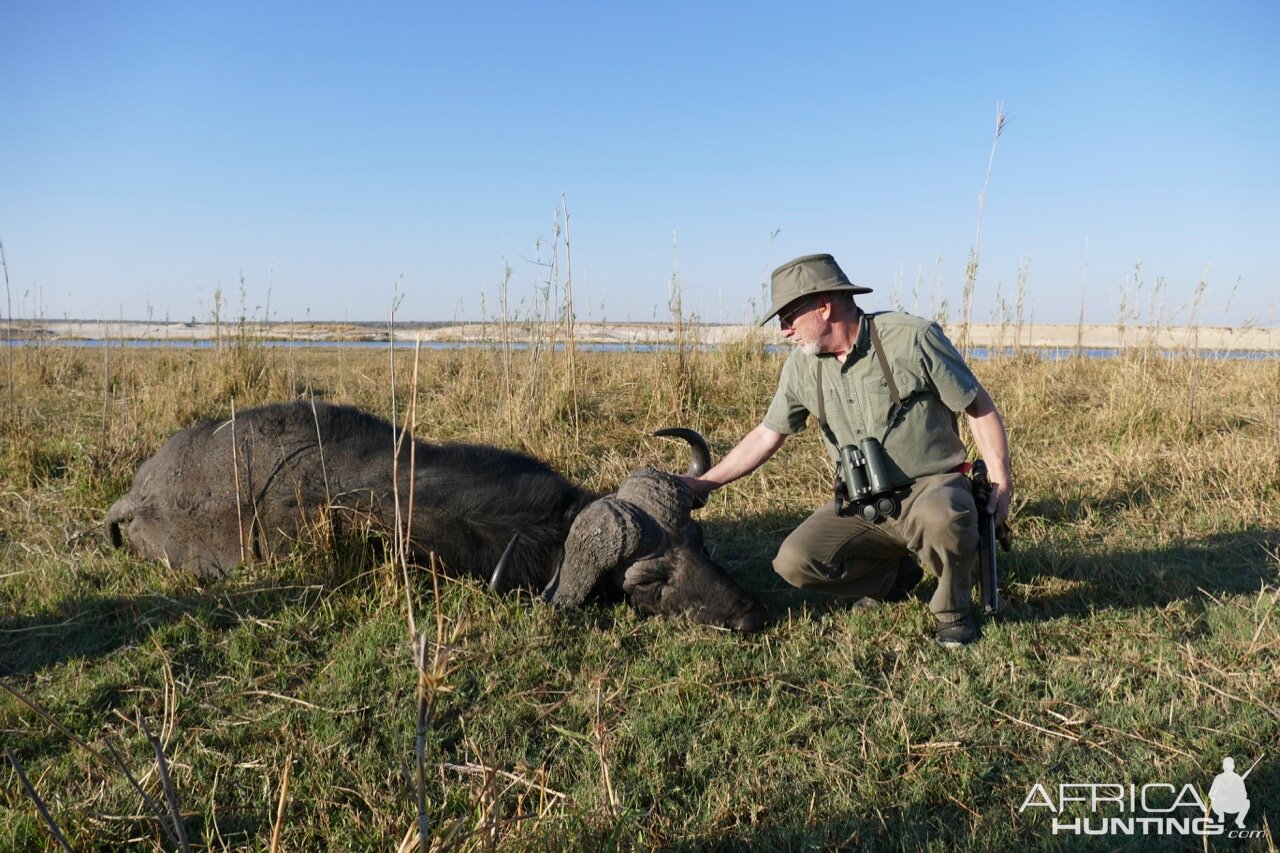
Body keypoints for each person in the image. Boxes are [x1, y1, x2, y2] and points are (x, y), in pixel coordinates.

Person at [683, 254, 1011, 647]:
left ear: (824, 306)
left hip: (932, 488)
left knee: (944, 517)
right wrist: (703, 484)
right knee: (795, 560)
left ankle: (952, 612)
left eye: (789, 316)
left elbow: (978, 405)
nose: (785, 331)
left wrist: (1000, 479)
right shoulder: (801, 369)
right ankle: (894, 578)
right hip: (864, 504)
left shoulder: (912, 338)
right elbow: (765, 436)